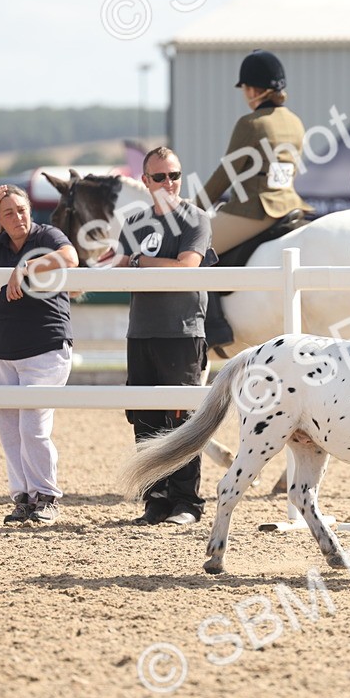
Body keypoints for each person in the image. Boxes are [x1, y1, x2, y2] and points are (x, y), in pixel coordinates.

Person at [0, 184, 79, 524]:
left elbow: (71, 258)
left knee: (32, 428)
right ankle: (23, 497)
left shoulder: (47, 235)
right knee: (9, 429)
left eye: (21, 210)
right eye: (7, 212)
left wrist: (27, 267)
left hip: (45, 348)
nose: (18, 217)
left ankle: (47, 496)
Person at [116, 146, 214, 525]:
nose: (169, 183)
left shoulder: (196, 218)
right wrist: (135, 263)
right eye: (160, 177)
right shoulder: (134, 221)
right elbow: (119, 268)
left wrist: (140, 261)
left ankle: (187, 502)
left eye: (174, 175)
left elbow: (187, 267)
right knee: (145, 418)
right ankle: (155, 499)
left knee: (182, 418)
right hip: (140, 331)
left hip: (182, 331)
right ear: (146, 181)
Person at [200, 49, 312, 256]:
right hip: (290, 203)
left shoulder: (251, 123)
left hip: (254, 211)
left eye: (244, 89)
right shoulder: (296, 122)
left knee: (190, 247)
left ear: (251, 90)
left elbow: (225, 174)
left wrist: (195, 208)